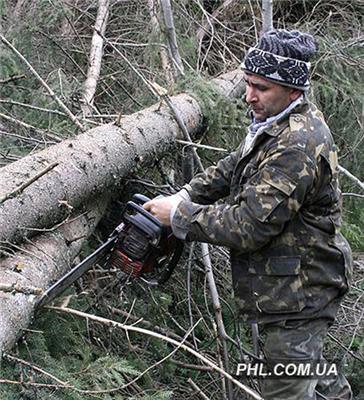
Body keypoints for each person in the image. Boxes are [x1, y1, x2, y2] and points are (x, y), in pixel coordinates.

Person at [144, 29, 353, 399]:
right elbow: (235, 166)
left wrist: (180, 215)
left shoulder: (298, 145)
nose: (249, 96)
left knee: (287, 388)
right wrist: (188, 192)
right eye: (247, 83)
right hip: (288, 288)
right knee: (317, 380)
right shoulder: (278, 123)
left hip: (300, 295)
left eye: (261, 87)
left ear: (293, 90)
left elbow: (248, 226)